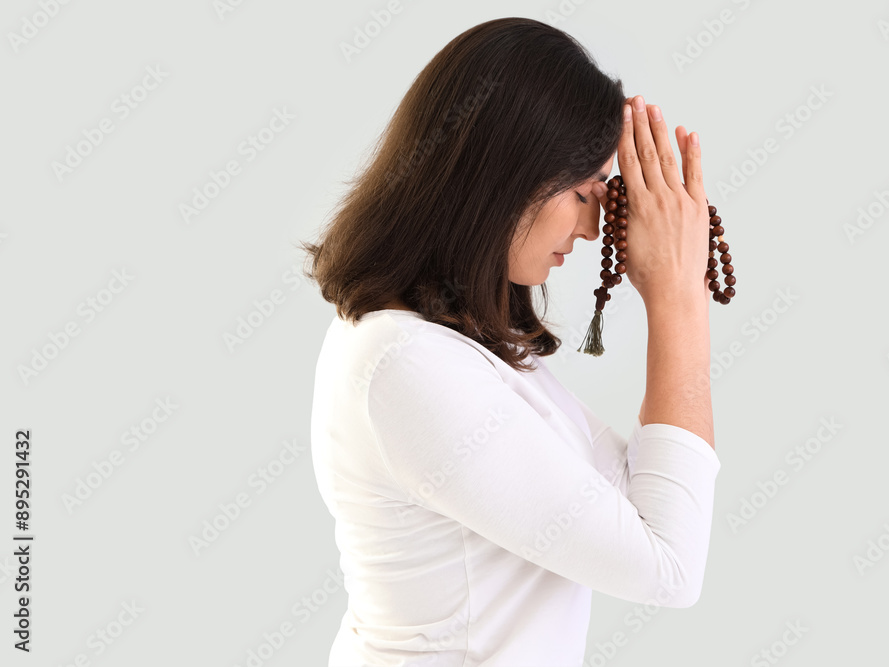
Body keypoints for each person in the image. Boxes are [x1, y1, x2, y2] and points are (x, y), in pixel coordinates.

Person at [299, 16, 720, 667]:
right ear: (506, 176)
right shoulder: (404, 363)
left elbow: (642, 502)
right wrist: (678, 299)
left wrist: (674, 277)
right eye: (585, 193)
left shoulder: (454, 348)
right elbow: (667, 562)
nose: (591, 228)